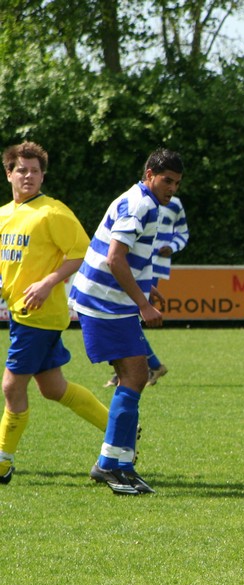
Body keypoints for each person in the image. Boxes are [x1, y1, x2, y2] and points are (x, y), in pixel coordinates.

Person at [68, 148, 184, 495]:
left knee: (134, 376)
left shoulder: (143, 200)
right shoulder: (140, 205)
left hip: (106, 300)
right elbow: (115, 258)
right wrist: (143, 304)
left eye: (177, 183)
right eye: (167, 180)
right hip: (105, 302)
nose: (172, 188)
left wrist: (146, 288)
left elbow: (128, 258)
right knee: (134, 375)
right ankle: (111, 464)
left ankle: (117, 463)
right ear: (150, 175)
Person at [0, 141, 110, 485]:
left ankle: (2, 462)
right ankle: (120, 429)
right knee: (53, 387)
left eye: (35, 171)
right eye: (21, 170)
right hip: (20, 313)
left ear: (43, 176)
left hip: (40, 313)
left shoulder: (52, 212)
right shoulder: (4, 214)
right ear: (9, 173)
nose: (28, 176)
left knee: (11, 387)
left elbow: (81, 252)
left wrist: (48, 282)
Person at [103, 195, 188, 388]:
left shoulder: (174, 203)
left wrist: (172, 247)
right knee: (123, 316)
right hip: (131, 266)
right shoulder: (135, 201)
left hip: (153, 267)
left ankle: (147, 366)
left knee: (128, 316)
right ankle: (128, 368)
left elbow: (183, 233)